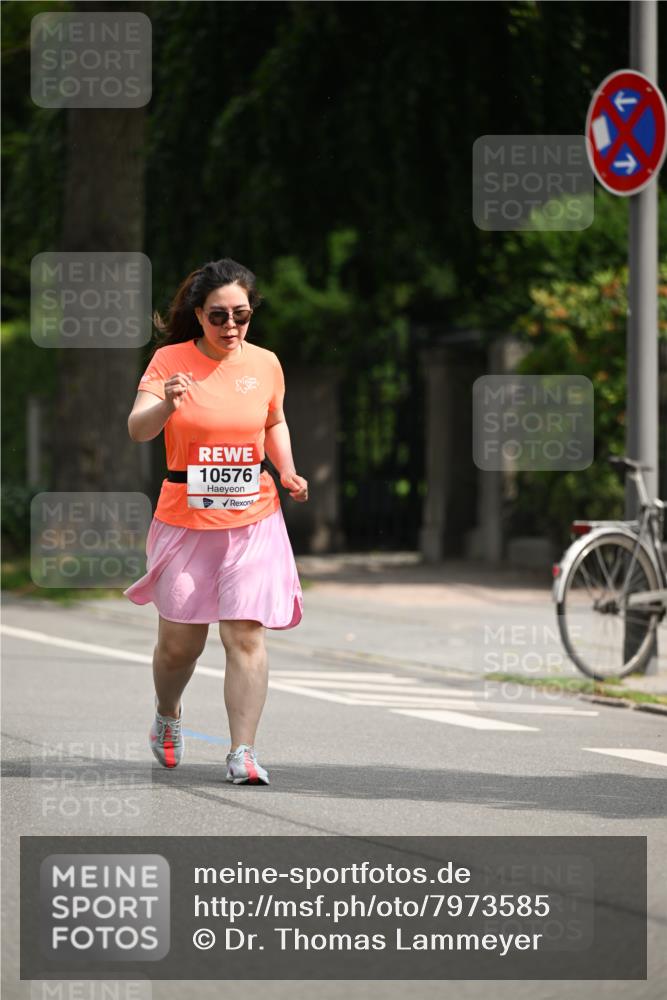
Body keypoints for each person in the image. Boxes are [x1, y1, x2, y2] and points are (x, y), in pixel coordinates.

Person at [124, 258, 308, 786]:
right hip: (185, 517)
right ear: (198, 314)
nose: (231, 327)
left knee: (246, 634)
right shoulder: (169, 361)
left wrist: (288, 471)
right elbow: (138, 430)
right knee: (181, 644)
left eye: (242, 316)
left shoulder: (266, 363)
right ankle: (167, 713)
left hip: (253, 516)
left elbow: (274, 420)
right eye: (218, 317)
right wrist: (167, 405)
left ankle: (243, 752)